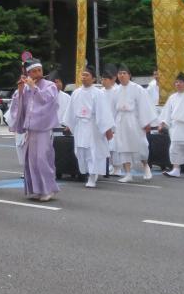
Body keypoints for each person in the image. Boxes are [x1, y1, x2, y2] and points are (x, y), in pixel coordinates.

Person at [9, 58, 61, 202]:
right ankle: (37, 189)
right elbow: (18, 106)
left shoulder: (49, 85)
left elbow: (47, 100)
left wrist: (34, 88)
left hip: (43, 129)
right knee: (31, 161)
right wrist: (20, 92)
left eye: (39, 70)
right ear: (28, 73)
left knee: (42, 159)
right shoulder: (25, 87)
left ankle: (48, 189)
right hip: (30, 129)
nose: (37, 73)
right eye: (34, 71)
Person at [62, 65, 113, 188]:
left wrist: (107, 129)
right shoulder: (76, 92)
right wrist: (69, 124)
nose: (84, 77)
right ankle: (87, 172)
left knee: (92, 151)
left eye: (87, 75)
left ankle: (92, 175)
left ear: (93, 79)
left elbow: (103, 112)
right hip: (80, 125)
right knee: (80, 150)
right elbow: (71, 110)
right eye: (83, 75)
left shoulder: (98, 94)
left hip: (93, 125)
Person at [112, 64, 156, 182]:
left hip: (134, 120)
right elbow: (112, 109)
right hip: (121, 120)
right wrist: (111, 125)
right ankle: (127, 173)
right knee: (123, 147)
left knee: (141, 144)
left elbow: (144, 106)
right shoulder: (115, 90)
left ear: (129, 75)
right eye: (120, 73)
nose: (121, 75)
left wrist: (146, 123)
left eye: (124, 73)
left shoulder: (137, 89)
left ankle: (146, 167)